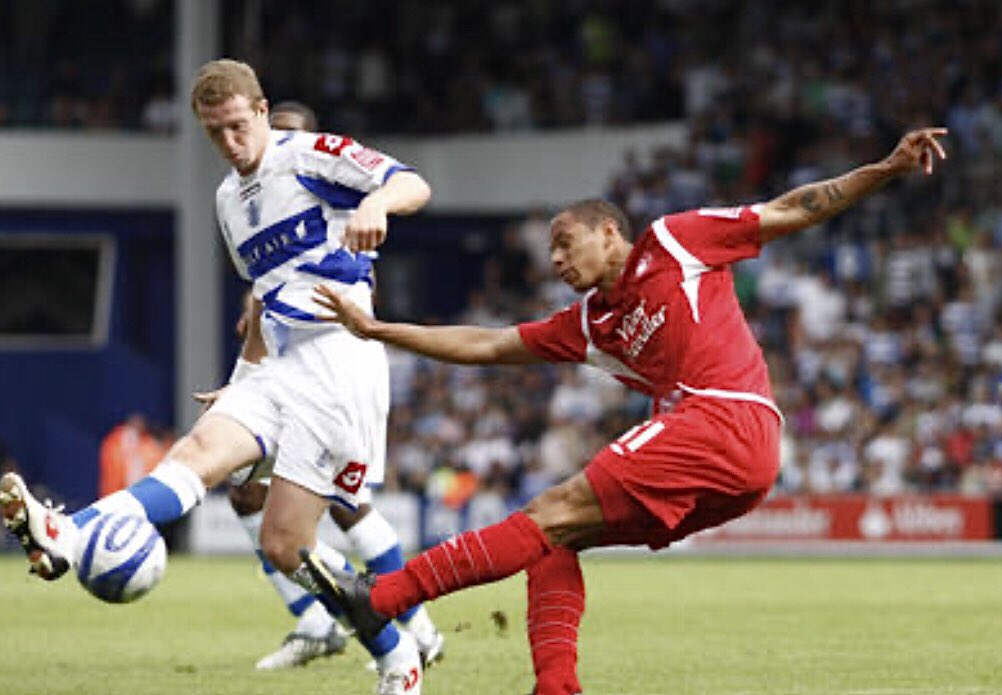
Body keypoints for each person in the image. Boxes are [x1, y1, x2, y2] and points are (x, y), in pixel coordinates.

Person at [307, 128, 949, 695]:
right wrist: (379, 331)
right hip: (732, 463)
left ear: (608, 231)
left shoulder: (676, 241)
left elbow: (792, 209)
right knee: (552, 540)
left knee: (546, 513)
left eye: (565, 243)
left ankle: (384, 597)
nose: (555, 260)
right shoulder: (588, 322)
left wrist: (886, 169)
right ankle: (556, 686)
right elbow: (489, 344)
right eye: (550, 253)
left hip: (726, 418)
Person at [0, 59, 429, 695]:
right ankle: (66, 531)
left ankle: (399, 655)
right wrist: (241, 381)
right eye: (214, 134)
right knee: (197, 452)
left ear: (260, 111)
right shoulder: (229, 201)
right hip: (276, 367)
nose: (229, 144)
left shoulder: (311, 156)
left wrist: (377, 201)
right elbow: (261, 297)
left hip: (340, 361)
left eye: (236, 126)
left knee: (289, 545)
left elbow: (412, 183)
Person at [210, 99, 443, 672]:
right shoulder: (247, 207)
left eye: (288, 135)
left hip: (335, 375)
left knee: (345, 507)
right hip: (282, 374)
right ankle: (317, 622)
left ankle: (415, 626)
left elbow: (356, 295)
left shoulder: (330, 195)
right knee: (246, 490)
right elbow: (265, 299)